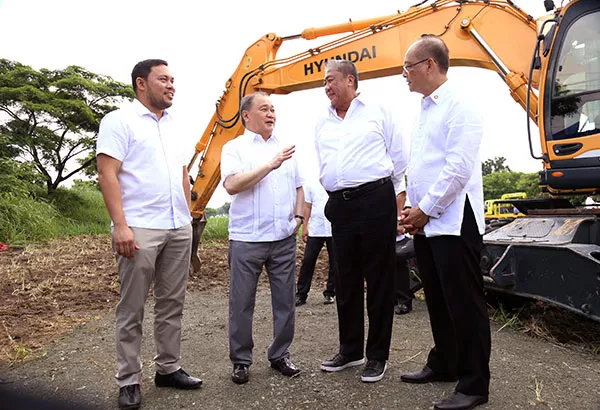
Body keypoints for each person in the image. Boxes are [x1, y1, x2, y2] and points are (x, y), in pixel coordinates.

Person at [96, 59, 202, 410]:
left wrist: (187, 219)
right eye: (164, 79)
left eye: (173, 79)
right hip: (139, 227)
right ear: (141, 83)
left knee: (172, 304)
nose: (171, 85)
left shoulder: (175, 126)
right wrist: (120, 225)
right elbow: (107, 174)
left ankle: (168, 368)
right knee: (133, 307)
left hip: (177, 226)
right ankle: (128, 379)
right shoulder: (118, 120)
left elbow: (184, 174)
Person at [399, 35, 491, 410]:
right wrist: (413, 210)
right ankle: (446, 363)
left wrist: (426, 208)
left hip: (454, 219)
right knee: (437, 297)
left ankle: (474, 385)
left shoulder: (460, 104)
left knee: (464, 302)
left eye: (408, 67)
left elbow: (457, 168)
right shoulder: (425, 108)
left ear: (429, 65)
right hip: (428, 221)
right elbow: (421, 166)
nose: (404, 75)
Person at [315, 59, 408, 383]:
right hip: (340, 206)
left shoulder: (377, 111)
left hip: (375, 201)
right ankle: (350, 349)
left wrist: (392, 200)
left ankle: (377, 356)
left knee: (380, 281)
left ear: (350, 80)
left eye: (331, 80)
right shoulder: (322, 123)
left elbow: (399, 158)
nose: (327, 87)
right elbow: (324, 162)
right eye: (324, 82)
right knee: (346, 280)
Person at [221, 91, 304, 385]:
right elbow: (232, 185)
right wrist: (270, 164)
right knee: (242, 303)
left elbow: (299, 187)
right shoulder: (234, 148)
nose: (271, 114)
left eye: (273, 109)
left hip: (283, 239)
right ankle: (241, 361)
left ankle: (280, 354)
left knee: (285, 301)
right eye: (264, 109)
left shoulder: (286, 148)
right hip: (246, 239)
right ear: (246, 115)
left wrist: (298, 218)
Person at [295, 180, 336, 306]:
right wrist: (305, 226)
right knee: (308, 260)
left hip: (334, 228)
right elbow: (307, 206)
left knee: (335, 262)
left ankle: (330, 293)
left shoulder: (335, 183)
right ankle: (301, 293)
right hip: (316, 229)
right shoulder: (311, 184)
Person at [394, 190, 414, 315]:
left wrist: (398, 221)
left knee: (398, 262)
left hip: (395, 221)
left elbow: (401, 194)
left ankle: (404, 301)